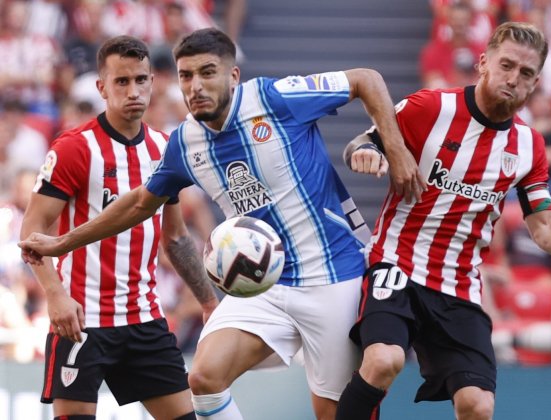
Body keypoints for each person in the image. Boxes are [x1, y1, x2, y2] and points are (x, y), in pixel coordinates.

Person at [19, 28, 423, 420]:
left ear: (233, 75)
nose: (195, 86)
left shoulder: (274, 98)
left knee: (331, 412)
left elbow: (365, 79)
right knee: (205, 377)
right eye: (186, 76)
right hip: (264, 284)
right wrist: (63, 243)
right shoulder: (184, 142)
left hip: (334, 277)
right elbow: (140, 204)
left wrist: (397, 149)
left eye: (207, 73)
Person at [336, 22, 551, 420]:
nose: (513, 79)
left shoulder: (528, 145)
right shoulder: (431, 107)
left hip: (459, 285)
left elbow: (544, 226)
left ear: (535, 84)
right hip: (396, 263)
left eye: (525, 74)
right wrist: (368, 154)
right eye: (506, 66)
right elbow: (361, 142)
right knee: (384, 361)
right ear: (483, 63)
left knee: (478, 405)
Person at [19, 35, 220, 420]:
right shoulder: (74, 148)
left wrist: (209, 302)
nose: (133, 91)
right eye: (121, 82)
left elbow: (175, 236)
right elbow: (33, 230)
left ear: (153, 83)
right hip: (82, 321)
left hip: (144, 318)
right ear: (102, 88)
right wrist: (55, 296)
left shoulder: (165, 148)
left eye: (141, 80)